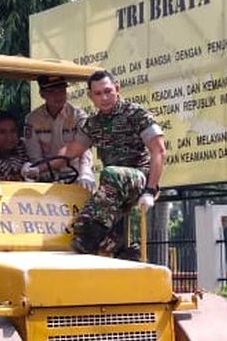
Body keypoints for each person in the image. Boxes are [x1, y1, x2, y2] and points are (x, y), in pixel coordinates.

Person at [48, 70, 165, 258]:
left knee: (109, 175)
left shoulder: (136, 114)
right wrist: (38, 168)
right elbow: (71, 151)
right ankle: (117, 249)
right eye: (98, 93)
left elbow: (158, 150)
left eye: (108, 91)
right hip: (113, 188)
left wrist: (151, 191)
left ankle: (94, 238)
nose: (104, 97)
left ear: (117, 89)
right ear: (90, 96)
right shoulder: (93, 124)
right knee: (82, 221)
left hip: (139, 180)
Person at [23, 75, 94, 188]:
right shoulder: (33, 120)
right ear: (42, 94)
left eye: (62, 90)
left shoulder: (78, 116)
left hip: (75, 176)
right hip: (45, 177)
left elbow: (83, 148)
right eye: (51, 91)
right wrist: (37, 170)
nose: (58, 95)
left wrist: (85, 172)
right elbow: (35, 155)